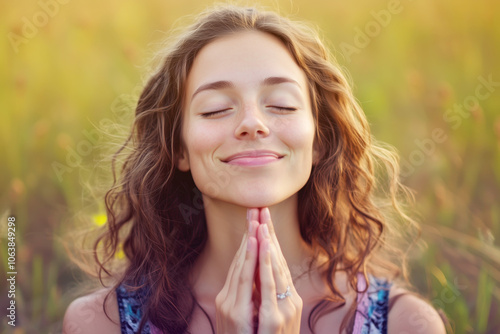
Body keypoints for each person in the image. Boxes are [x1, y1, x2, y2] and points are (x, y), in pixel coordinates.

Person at [63, 5, 447, 334]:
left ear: (319, 141)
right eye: (215, 109)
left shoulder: (405, 323)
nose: (253, 123)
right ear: (178, 147)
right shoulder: (100, 323)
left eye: (281, 104)